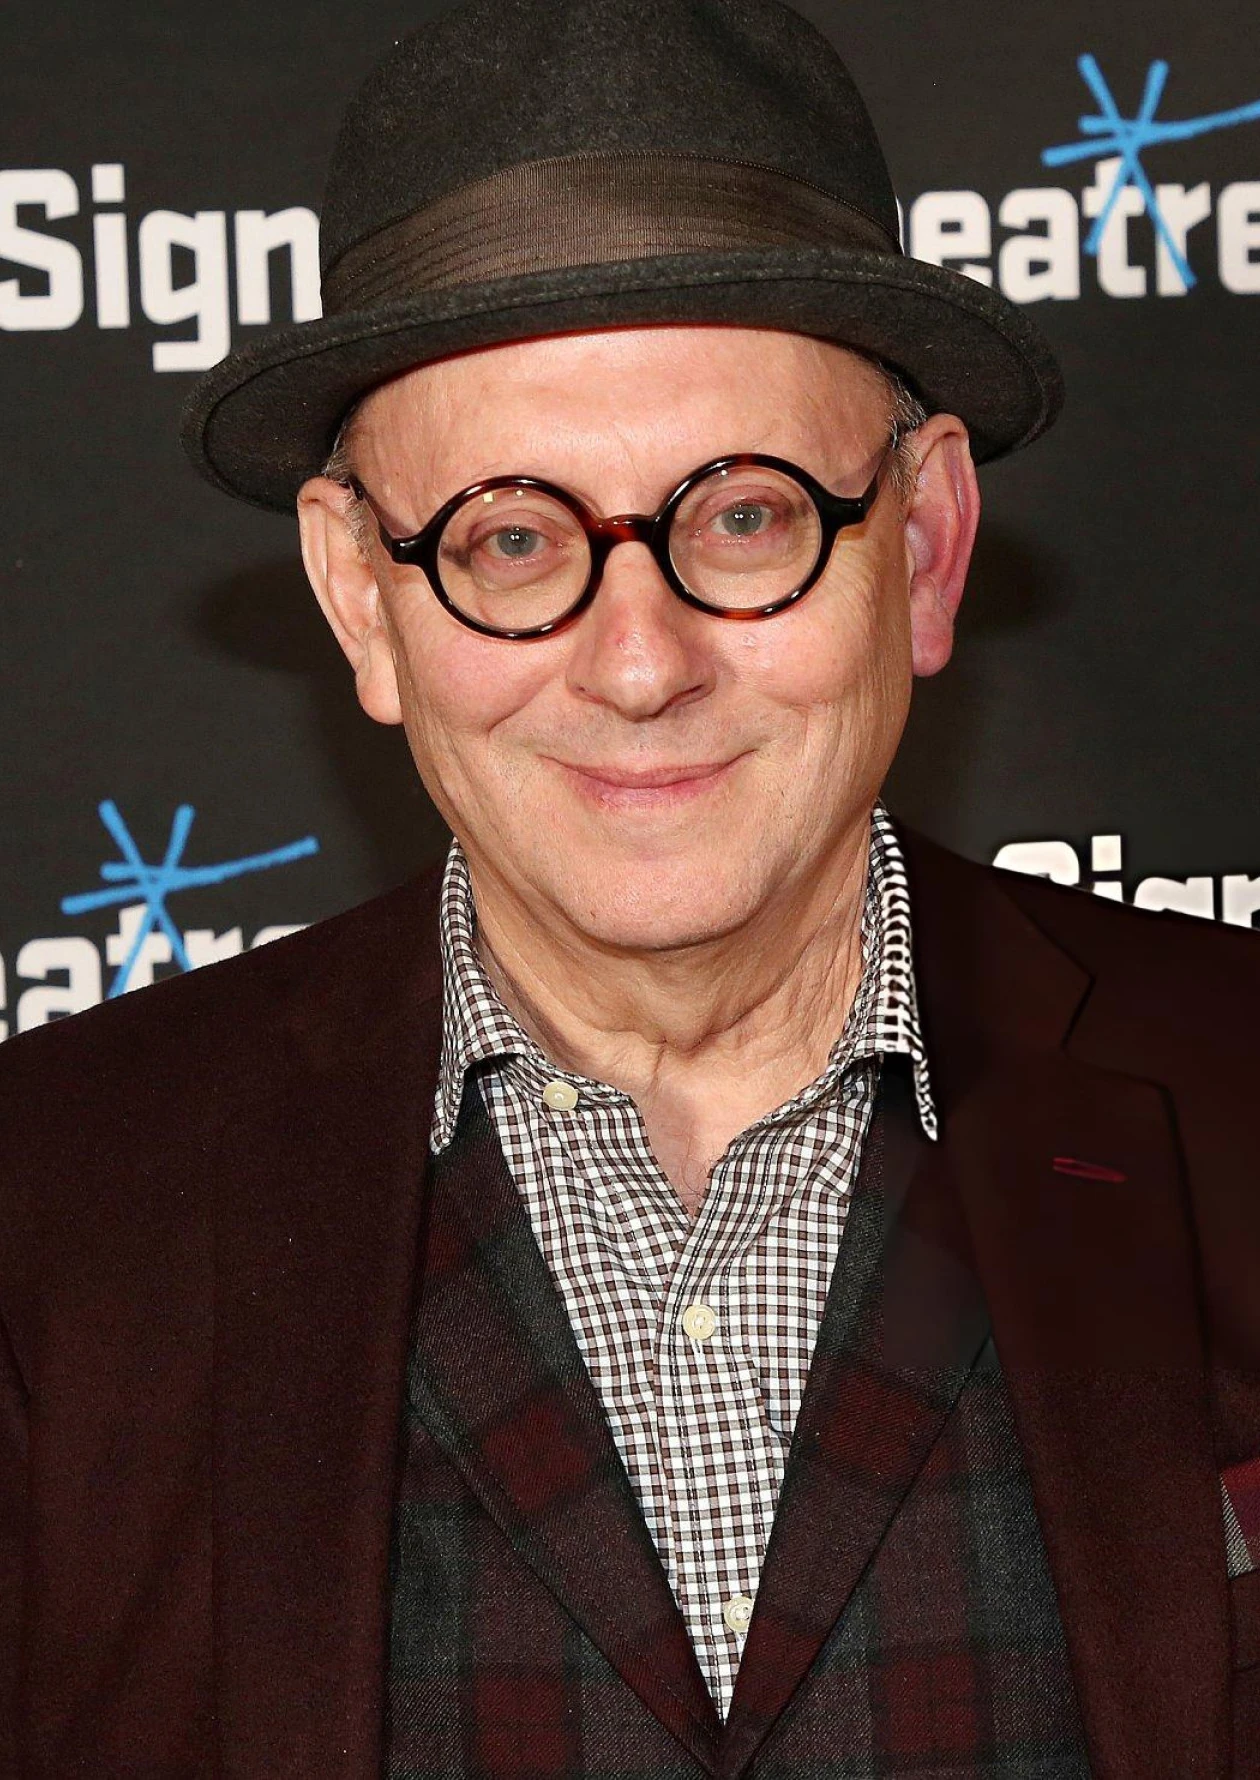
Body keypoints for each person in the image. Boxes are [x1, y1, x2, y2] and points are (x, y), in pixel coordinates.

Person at [1, 0, 1257, 1773]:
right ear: (361, 599)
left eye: (744, 516)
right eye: (513, 541)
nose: (643, 665)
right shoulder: (47, 1214)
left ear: (922, 545)